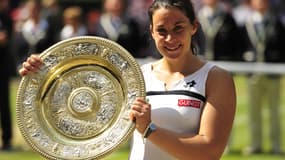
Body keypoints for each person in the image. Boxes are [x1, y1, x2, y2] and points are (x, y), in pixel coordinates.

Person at [18, 0, 236, 159]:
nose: (170, 38)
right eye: (162, 31)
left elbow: (210, 151)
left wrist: (150, 130)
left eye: (178, 28)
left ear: (194, 27)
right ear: (151, 32)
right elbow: (84, 102)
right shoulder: (136, 76)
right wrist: (43, 72)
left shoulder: (216, 78)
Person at [240, 0, 285, 155]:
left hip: (272, 74)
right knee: (254, 111)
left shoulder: (276, 22)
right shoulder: (247, 23)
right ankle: (255, 144)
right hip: (253, 74)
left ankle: (276, 145)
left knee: (274, 111)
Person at [0, 0, 13, 151]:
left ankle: (7, 140)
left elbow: (4, 39)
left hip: (2, 69)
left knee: (4, 105)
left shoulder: (5, 18)